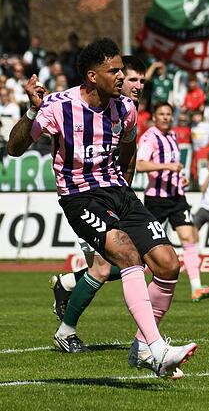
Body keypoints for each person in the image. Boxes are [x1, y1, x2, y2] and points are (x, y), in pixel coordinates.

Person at [7, 38, 196, 378]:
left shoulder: (125, 108)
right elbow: (15, 148)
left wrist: (123, 184)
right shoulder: (56, 106)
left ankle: (141, 346)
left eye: (123, 69)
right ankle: (157, 350)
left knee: (169, 264)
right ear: (93, 76)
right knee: (126, 255)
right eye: (116, 71)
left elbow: (128, 149)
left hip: (119, 193)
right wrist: (32, 110)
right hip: (80, 197)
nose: (123, 76)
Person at [48, 55, 148, 349]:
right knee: (106, 268)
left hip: (114, 198)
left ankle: (68, 283)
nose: (136, 85)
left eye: (141, 81)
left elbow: (128, 157)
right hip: (86, 198)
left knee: (135, 262)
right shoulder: (84, 107)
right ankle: (66, 331)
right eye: (131, 79)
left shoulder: (126, 110)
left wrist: (124, 195)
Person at [137, 101, 209, 302]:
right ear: (154, 117)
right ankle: (135, 285)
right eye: (161, 114)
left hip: (177, 197)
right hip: (156, 199)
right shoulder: (149, 137)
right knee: (145, 248)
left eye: (168, 114)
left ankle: (196, 287)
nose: (165, 117)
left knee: (189, 237)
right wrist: (167, 167)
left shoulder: (172, 136)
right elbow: (140, 165)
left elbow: (174, 168)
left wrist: (180, 178)